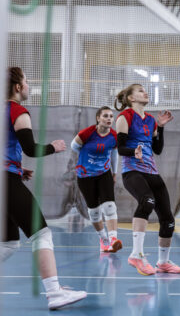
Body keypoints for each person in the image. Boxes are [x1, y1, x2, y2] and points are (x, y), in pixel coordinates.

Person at [1, 67, 87, 310]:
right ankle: (55, 293)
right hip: (6, 181)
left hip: (8, 176)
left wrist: (16, 169)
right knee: (41, 234)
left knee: (8, 242)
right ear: (18, 87)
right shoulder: (17, 111)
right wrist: (53, 147)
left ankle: (54, 288)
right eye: (27, 81)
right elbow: (30, 149)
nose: (29, 85)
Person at [115, 84, 180, 275]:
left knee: (168, 219)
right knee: (147, 201)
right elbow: (120, 148)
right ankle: (136, 255)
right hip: (132, 171)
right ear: (131, 98)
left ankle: (163, 262)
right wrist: (133, 152)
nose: (145, 92)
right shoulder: (125, 117)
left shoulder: (151, 120)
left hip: (151, 171)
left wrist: (160, 127)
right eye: (140, 90)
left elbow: (157, 149)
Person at [71, 106, 122, 253]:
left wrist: (114, 172)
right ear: (98, 118)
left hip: (104, 173)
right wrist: (87, 156)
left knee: (109, 207)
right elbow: (74, 146)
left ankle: (113, 239)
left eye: (111, 116)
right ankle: (104, 240)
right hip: (85, 176)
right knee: (94, 212)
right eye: (105, 116)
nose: (109, 119)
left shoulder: (114, 136)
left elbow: (114, 154)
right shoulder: (87, 133)